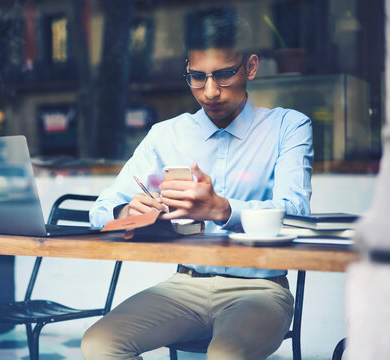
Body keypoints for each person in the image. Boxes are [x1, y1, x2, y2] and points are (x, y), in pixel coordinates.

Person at [81, 8, 313, 360]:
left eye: (223, 75)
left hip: (261, 289)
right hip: (184, 284)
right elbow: (100, 209)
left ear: (250, 67)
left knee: (224, 354)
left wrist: (221, 208)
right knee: (99, 344)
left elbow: (296, 213)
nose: (209, 92)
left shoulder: (288, 127)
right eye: (196, 77)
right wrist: (126, 210)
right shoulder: (166, 135)